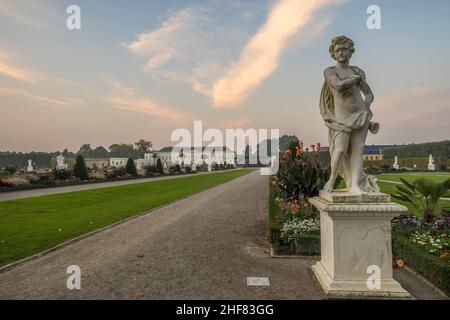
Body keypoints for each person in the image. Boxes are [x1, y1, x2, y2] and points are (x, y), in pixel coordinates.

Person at [320, 36, 380, 194]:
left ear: (350, 51)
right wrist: (354, 80)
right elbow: (338, 86)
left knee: (359, 149)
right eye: (338, 50)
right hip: (341, 118)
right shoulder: (330, 71)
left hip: (360, 114)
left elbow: (368, 94)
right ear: (333, 53)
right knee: (340, 149)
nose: (341, 52)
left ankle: (355, 186)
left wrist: (367, 108)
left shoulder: (358, 71)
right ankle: (332, 178)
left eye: (344, 49)